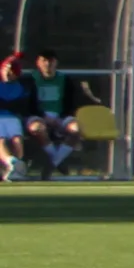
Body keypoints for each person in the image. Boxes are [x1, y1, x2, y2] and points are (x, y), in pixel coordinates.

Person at [23, 49, 101, 178]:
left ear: (56, 62)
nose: (47, 64)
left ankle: (52, 164)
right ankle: (57, 161)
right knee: (37, 128)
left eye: (50, 60)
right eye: (44, 60)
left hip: (60, 116)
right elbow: (29, 104)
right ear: (38, 63)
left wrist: (60, 118)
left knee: (76, 129)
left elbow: (71, 102)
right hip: (39, 116)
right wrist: (44, 116)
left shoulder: (64, 79)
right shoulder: (31, 79)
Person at [0, 54, 33, 182]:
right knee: (0, 140)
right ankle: (12, 162)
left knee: (17, 141)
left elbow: (19, 106)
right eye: (6, 69)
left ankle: (17, 170)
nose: (8, 73)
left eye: (12, 71)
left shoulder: (20, 87)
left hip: (13, 118)